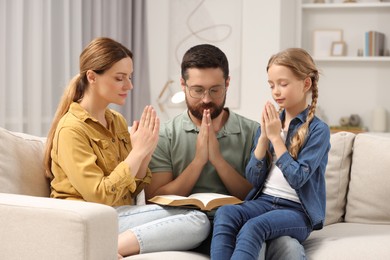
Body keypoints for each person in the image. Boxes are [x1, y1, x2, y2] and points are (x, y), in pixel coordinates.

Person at [43, 37, 210, 259]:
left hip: (118, 213)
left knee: (199, 219)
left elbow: (132, 190)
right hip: (90, 217)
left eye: (129, 77)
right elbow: (99, 196)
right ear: (92, 77)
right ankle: (106, 250)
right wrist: (137, 153)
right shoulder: (71, 129)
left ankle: (111, 246)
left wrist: (144, 154)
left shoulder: (117, 121)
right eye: (120, 78)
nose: (129, 86)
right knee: (197, 221)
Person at [146, 44, 308, 259]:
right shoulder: (165, 134)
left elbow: (256, 196)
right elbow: (156, 198)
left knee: (288, 246)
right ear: (183, 85)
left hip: (240, 223)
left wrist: (218, 161)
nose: (206, 99)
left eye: (215, 90)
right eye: (197, 90)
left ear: (227, 83)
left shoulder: (254, 132)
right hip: (189, 227)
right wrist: (198, 162)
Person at [210, 47, 331, 260]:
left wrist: (276, 138)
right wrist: (264, 138)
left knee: (253, 227)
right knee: (225, 213)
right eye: (272, 85)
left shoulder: (318, 130)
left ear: (306, 84)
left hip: (297, 212)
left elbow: (298, 178)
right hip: (264, 201)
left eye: (283, 84)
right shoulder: (270, 123)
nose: (276, 91)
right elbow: (253, 178)